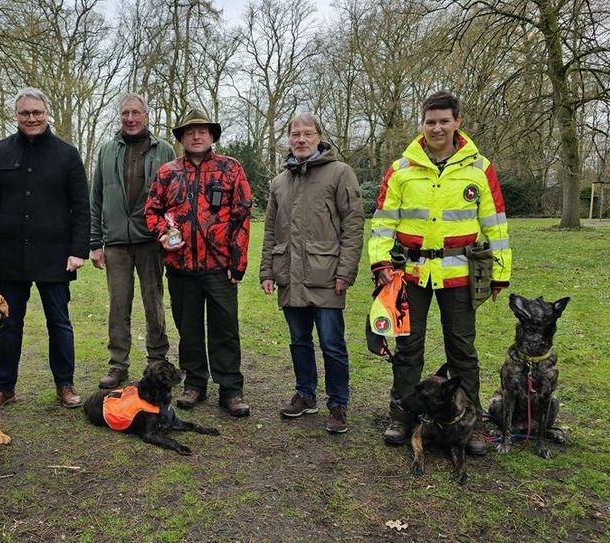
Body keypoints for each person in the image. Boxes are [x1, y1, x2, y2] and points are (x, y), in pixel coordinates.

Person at [369, 90, 512, 455]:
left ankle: (471, 420)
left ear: (457, 123)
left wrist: (499, 272)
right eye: (430, 121)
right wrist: (381, 263)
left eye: (444, 121)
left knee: (462, 350)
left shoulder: (479, 169)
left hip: (460, 274)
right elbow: (384, 223)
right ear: (422, 124)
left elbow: (495, 225)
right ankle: (402, 415)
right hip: (409, 273)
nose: (437, 128)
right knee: (407, 348)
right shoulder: (401, 169)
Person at [0, 88, 90, 410]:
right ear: (16, 116)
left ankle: (65, 384)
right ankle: (5, 386)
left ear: (47, 113)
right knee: (10, 324)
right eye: (25, 113)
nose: (31, 118)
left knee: (59, 322)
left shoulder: (67, 154)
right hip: (10, 253)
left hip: (56, 255)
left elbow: (81, 206)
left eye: (37, 112)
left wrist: (78, 250)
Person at [259, 113, 364, 433]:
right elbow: (270, 231)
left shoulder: (340, 173)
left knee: (332, 344)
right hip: (290, 275)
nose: (301, 139)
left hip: (328, 276)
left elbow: (353, 225)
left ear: (319, 136)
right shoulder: (279, 181)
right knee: (298, 340)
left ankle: (338, 403)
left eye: (307, 134)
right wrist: (266, 270)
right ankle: (305, 395)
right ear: (288, 139)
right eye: (295, 134)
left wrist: (346, 270)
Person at [144, 109, 253, 417]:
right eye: (190, 132)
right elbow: (151, 211)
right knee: (189, 329)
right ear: (181, 138)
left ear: (212, 135)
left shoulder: (230, 169)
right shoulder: (168, 172)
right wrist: (163, 233)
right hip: (181, 268)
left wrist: (238, 263)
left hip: (220, 267)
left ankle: (231, 389)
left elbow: (242, 216)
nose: (196, 136)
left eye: (202, 131)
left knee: (225, 329)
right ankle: (195, 384)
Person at [90, 94, 175, 389]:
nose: (130, 118)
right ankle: (118, 364)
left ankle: (157, 359)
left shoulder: (164, 150)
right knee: (118, 305)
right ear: (120, 116)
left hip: (151, 241)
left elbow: (173, 198)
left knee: (154, 303)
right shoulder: (106, 151)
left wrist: (168, 233)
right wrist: (95, 242)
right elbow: (96, 198)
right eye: (125, 113)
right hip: (115, 243)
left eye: (136, 112)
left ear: (147, 116)